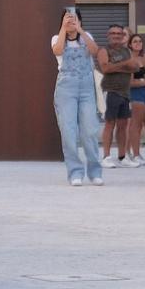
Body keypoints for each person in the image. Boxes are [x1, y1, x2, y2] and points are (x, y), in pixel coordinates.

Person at [50, 10, 105, 186]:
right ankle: (75, 172)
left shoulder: (86, 35)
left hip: (86, 88)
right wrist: (63, 29)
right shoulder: (56, 38)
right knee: (68, 132)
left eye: (75, 19)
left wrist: (80, 31)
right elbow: (57, 50)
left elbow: (95, 50)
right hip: (66, 89)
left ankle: (95, 171)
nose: (72, 22)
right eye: (68, 19)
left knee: (90, 130)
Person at [98, 24, 139, 166]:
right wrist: (125, 65)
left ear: (122, 36)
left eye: (119, 33)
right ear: (108, 35)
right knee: (110, 123)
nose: (116, 35)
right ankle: (106, 157)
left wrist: (119, 65)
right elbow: (105, 68)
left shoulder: (127, 51)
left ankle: (122, 157)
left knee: (123, 124)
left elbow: (135, 67)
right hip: (111, 91)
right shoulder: (104, 50)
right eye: (113, 33)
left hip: (125, 92)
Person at [126, 31, 145, 165]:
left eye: (140, 41)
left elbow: (143, 76)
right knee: (136, 125)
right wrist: (144, 82)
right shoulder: (129, 61)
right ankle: (136, 154)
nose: (138, 43)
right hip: (135, 94)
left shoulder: (143, 59)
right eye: (135, 42)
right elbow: (130, 82)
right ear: (130, 45)